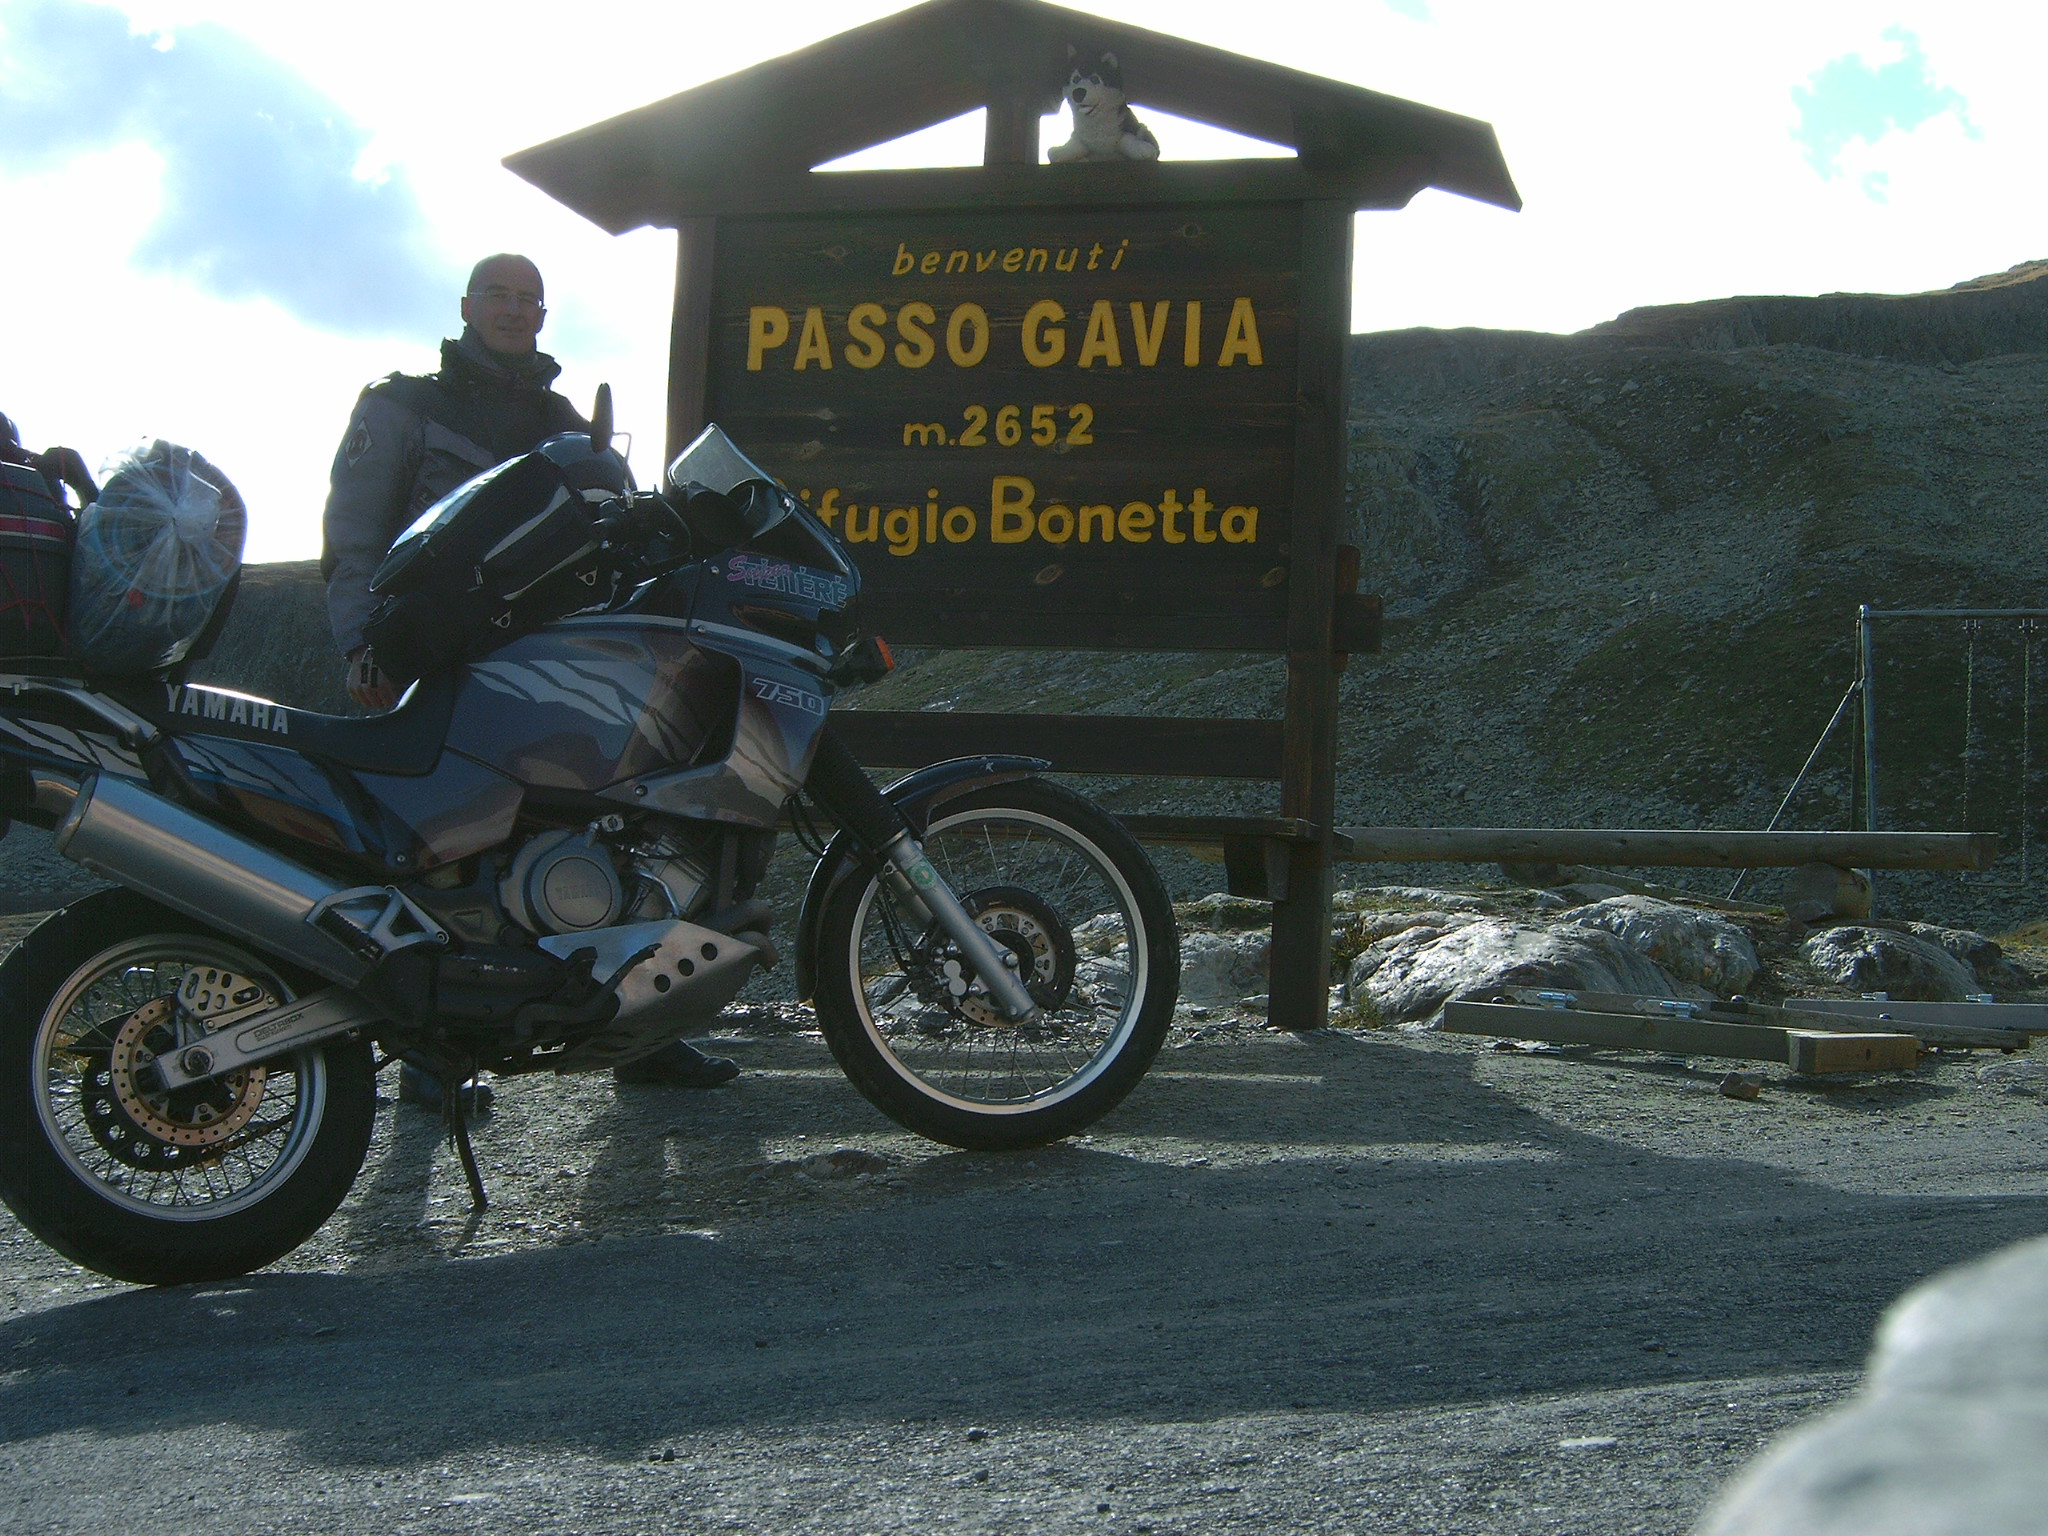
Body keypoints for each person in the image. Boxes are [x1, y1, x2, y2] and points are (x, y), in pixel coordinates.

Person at [319, 255, 739, 1107]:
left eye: (528, 299)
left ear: (543, 315)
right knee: (438, 843)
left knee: (617, 827)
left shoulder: (563, 422)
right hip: (435, 652)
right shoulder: (403, 407)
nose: (514, 311)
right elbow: (354, 532)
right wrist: (363, 644)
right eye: (498, 297)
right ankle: (431, 1055)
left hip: (559, 658)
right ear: (467, 307)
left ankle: (642, 1032)